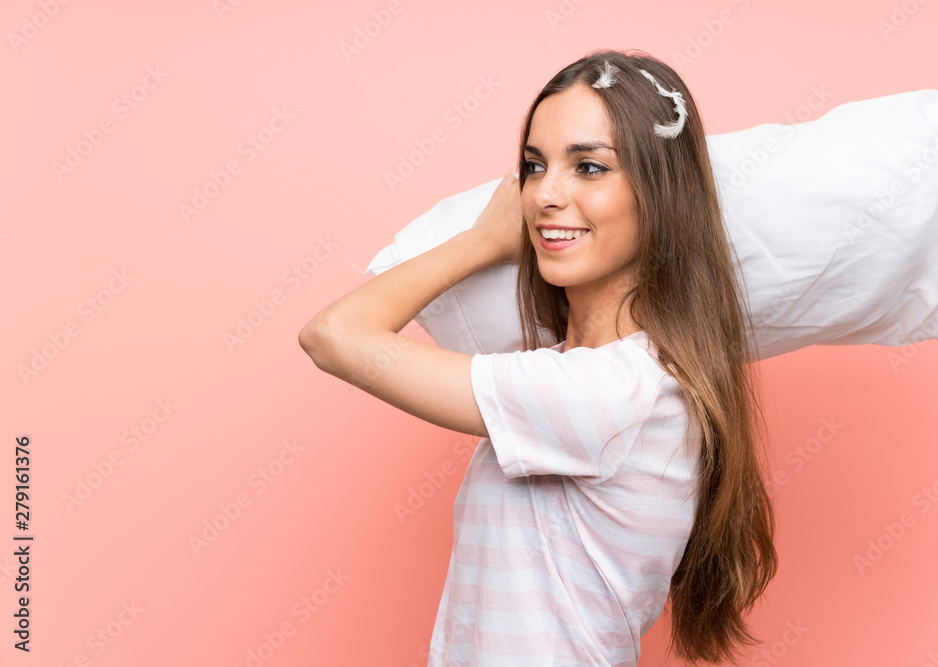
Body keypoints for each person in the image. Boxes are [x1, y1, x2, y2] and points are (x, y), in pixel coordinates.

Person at [298, 48, 777, 666]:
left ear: (663, 193)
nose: (545, 194)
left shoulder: (610, 392)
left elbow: (333, 335)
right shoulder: (599, 374)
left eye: (590, 167)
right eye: (533, 165)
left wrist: (476, 244)